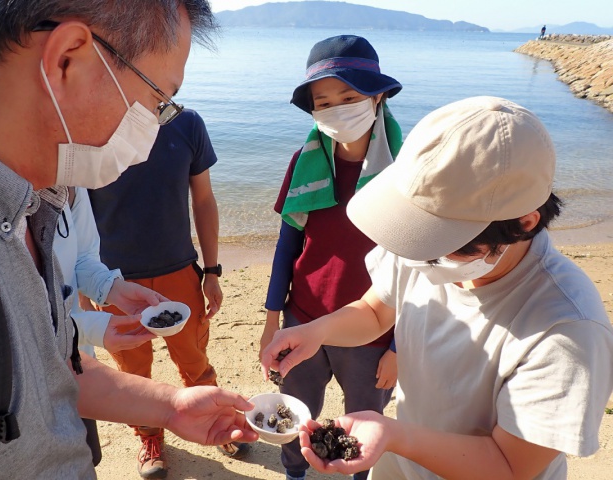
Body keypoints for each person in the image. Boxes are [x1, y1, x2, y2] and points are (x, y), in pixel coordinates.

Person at [0, 1, 258, 478]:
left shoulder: (27, 200)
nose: (153, 130)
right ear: (69, 58)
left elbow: (48, 369)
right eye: (156, 101)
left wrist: (169, 406)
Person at [261, 96, 613, 479]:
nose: (419, 258)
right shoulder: (420, 244)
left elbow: (511, 467)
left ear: (524, 223)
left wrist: (396, 434)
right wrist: (317, 331)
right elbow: (376, 310)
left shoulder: (566, 331)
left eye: (442, 241)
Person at [260, 35, 402, 480]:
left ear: (377, 97)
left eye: (349, 96)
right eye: (323, 101)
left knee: (362, 426)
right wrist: (271, 322)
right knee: (297, 413)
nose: (337, 109)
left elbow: (419, 267)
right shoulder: (304, 162)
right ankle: (294, 474)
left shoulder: (405, 171)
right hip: (303, 315)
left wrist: (399, 348)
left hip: (375, 330)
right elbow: (288, 245)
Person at [88, 107, 247, 478]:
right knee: (133, 369)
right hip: (113, 279)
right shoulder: (91, 121)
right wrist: (85, 286)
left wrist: (211, 271)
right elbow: (77, 211)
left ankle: (217, 420)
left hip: (179, 272)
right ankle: (150, 437)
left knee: (194, 358)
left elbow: (204, 200)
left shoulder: (186, 124)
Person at [53, 186, 164, 466]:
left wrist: (112, 288)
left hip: (78, 364)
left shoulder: (70, 181)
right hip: (21, 384)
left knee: (86, 459)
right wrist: (93, 327)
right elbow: (17, 319)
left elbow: (82, 257)